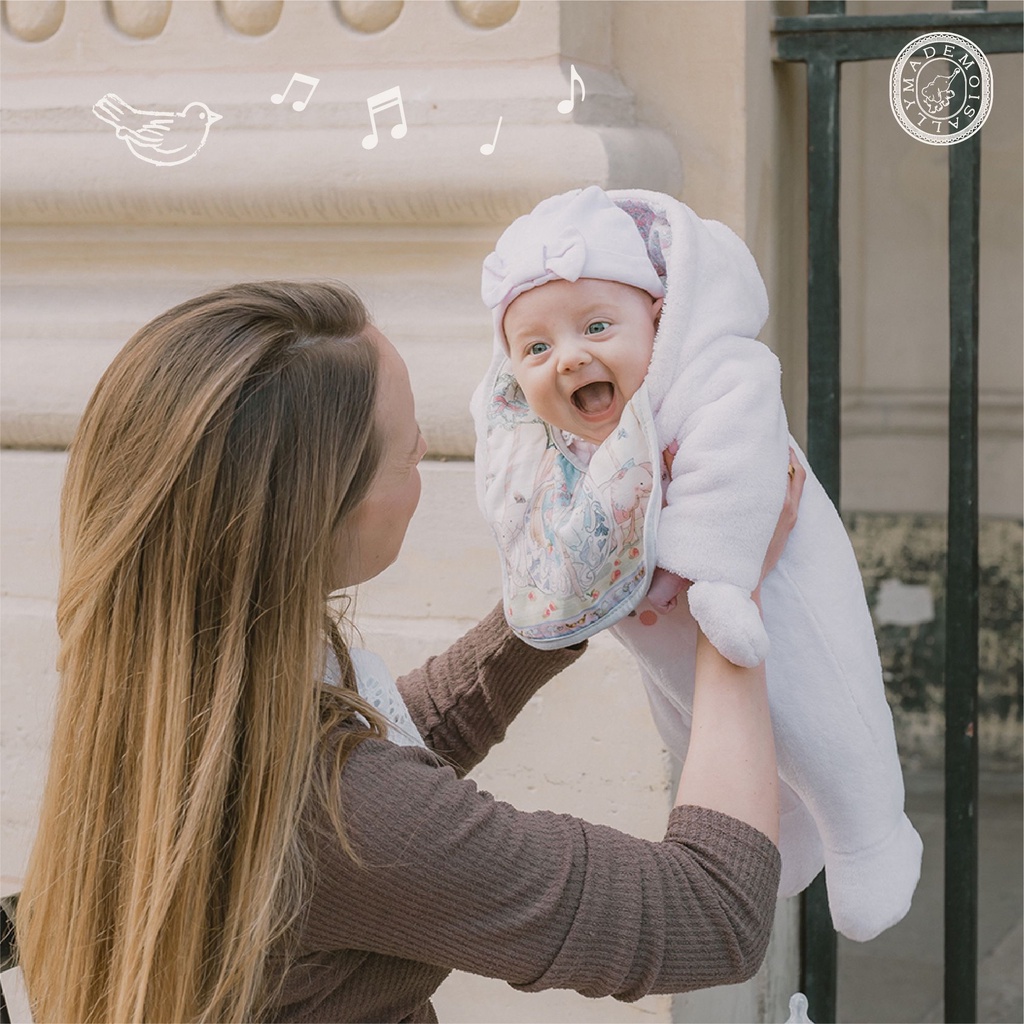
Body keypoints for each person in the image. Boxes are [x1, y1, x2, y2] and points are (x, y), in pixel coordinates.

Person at [17, 280, 798, 1024]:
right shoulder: (345, 818)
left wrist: (573, 578)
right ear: (330, 514)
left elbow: (396, 733)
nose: (426, 443)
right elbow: (712, 911)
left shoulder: (155, 696)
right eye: (411, 454)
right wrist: (733, 594)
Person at [473, 186, 923, 942]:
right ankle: (782, 834)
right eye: (537, 348)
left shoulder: (718, 375)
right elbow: (546, 528)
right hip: (669, 636)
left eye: (596, 325)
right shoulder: (557, 449)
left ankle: (870, 835)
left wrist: (709, 572)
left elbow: (737, 471)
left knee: (822, 720)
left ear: (659, 317)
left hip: (763, 593)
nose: (571, 355)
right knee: (699, 738)